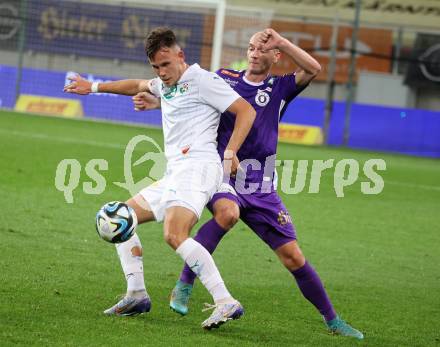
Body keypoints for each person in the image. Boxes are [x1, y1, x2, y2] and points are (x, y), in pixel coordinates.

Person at [134, 28, 364, 339]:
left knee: (293, 256)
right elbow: (189, 96)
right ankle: (184, 285)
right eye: (252, 48)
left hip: (261, 183)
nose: (255, 53)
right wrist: (156, 103)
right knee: (226, 215)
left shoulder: (281, 86)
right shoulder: (224, 77)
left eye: (263, 49)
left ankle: (333, 319)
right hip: (221, 172)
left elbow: (313, 69)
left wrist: (281, 39)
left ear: (275, 56)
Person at [64, 27, 256, 330]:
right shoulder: (164, 84)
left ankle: (225, 301)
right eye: (156, 67)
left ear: (180, 55)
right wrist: (93, 86)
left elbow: (246, 111)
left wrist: (231, 152)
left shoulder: (204, 80)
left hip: (199, 168)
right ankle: (137, 294)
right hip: (175, 172)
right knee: (121, 218)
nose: (161, 72)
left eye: (166, 64)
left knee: (174, 233)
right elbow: (136, 85)